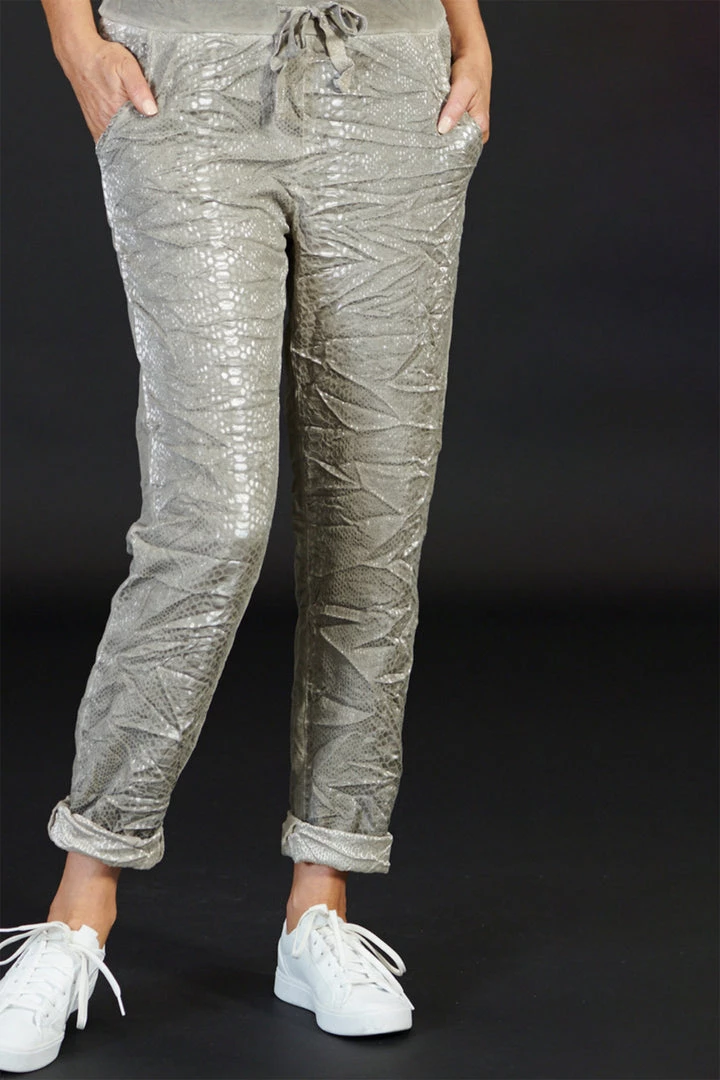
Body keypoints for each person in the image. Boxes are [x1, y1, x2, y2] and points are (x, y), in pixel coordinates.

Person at [0, 0, 492, 1070]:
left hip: (392, 80)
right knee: (213, 521)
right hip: (184, 77)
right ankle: (80, 903)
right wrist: (75, 40)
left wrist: (471, 33)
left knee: (372, 521)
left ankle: (320, 909)